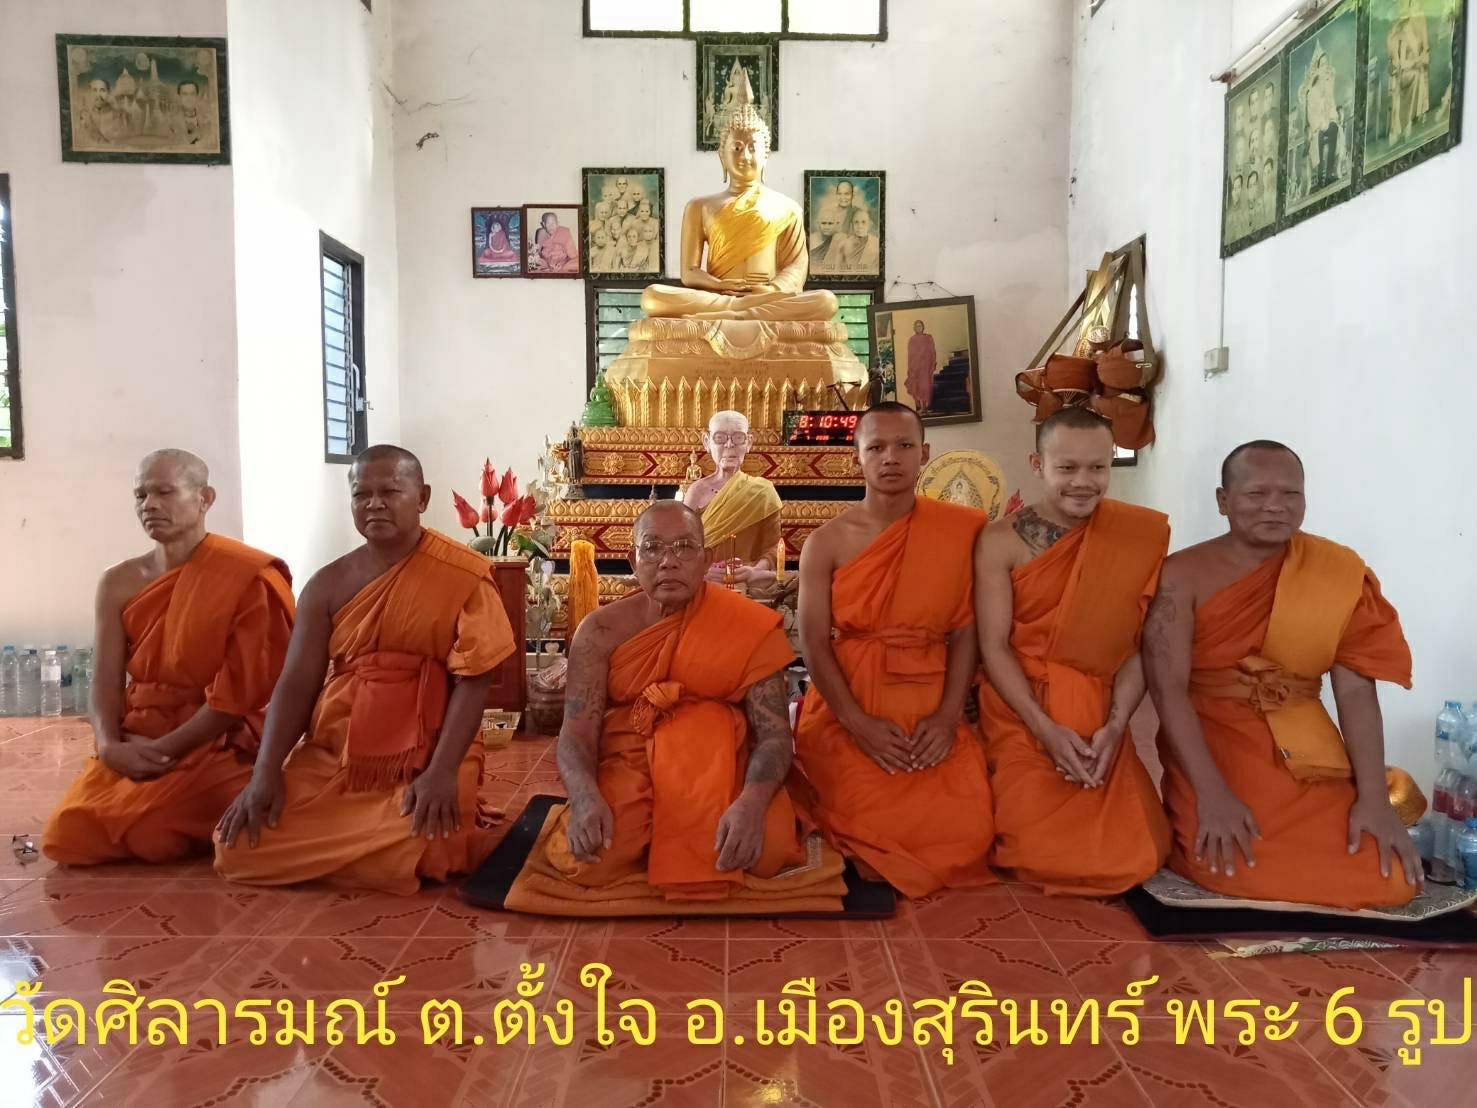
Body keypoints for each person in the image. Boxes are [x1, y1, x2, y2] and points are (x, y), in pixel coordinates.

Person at [503, 501, 845, 914]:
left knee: (768, 852)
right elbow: (576, 731)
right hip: (632, 761)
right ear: (633, 561)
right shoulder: (601, 631)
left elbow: (774, 734)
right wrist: (585, 795)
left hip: (724, 761)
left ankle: (681, 833)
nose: (668, 561)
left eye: (684, 547)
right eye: (652, 548)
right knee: (592, 858)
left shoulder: (747, 625)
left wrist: (753, 803)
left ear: (705, 559)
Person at [215, 445, 516, 895]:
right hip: (340, 750)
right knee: (238, 848)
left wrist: (441, 771)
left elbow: (474, 681)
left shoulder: (462, 575)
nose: (374, 504)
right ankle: (386, 853)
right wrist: (266, 771)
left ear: (422, 497)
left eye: (390, 492)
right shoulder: (327, 584)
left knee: (426, 837)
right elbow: (296, 684)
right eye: (361, 494)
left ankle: (404, 844)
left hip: (431, 748)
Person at [1144, 441, 1421, 909]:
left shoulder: (1336, 573)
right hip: (1216, 739)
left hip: (1305, 744)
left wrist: (1373, 799)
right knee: (1228, 862)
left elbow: (1355, 692)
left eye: (1291, 493)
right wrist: (1211, 795)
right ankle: (1186, 821)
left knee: (1389, 879)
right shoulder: (1182, 574)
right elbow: (1167, 689)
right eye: (1257, 493)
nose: (1275, 506)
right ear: (1223, 501)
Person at [43, 450, 295, 865]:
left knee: (151, 833)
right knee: (70, 834)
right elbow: (105, 678)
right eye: (140, 495)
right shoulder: (118, 581)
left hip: (216, 740)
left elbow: (238, 696)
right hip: (140, 732)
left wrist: (164, 750)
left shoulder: (247, 577)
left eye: (164, 492)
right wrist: (109, 745)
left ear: (205, 498)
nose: (150, 505)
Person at [791, 403, 995, 896]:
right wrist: (857, 723)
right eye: (876, 447)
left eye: (904, 446)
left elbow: (966, 630)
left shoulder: (961, 530)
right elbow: (813, 640)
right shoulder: (826, 542)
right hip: (851, 700)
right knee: (862, 816)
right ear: (856, 458)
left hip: (930, 697)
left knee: (969, 830)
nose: (891, 458)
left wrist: (947, 717)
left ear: (924, 453)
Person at [975, 408, 1170, 896]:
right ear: (1037, 465)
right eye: (1067, 468)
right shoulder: (999, 542)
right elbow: (993, 646)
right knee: (1035, 852)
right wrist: (1044, 728)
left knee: (1141, 852)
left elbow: (1137, 647)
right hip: (1021, 707)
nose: (1083, 482)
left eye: (1097, 467)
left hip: (1098, 707)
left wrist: (1116, 726)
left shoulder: (1135, 537)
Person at [639, 71, 838, 323]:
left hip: (767, 296)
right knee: (653, 296)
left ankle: (736, 313)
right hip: (719, 296)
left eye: (753, 148)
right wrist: (719, 285)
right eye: (736, 148)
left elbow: (796, 268)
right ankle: (740, 309)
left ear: (766, 156)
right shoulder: (700, 206)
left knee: (826, 301)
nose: (745, 156)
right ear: (722, 156)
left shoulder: (787, 209)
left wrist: (771, 289)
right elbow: (689, 272)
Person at [681, 409, 782, 588]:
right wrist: (701, 570)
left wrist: (754, 571)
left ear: (748, 442)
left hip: (746, 582)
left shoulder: (763, 491)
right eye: (720, 438)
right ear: (707, 442)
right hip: (705, 583)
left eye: (738, 437)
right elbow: (683, 546)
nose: (729, 445)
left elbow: (773, 548)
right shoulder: (696, 491)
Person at [905, 320, 938, 412]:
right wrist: (910, 368)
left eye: (920, 326)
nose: (919, 328)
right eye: (917, 326)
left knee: (926, 386)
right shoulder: (912, 340)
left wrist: (933, 363)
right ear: (914, 328)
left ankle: (925, 407)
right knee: (917, 386)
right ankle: (921, 407)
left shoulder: (928, 338)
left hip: (926, 367)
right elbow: (910, 355)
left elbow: (932, 352)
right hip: (916, 367)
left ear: (923, 327)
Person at [839, 207, 880, 274]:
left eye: (863, 222)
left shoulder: (877, 243)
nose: (860, 226)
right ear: (852, 224)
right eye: (856, 222)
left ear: (869, 224)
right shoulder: (844, 244)